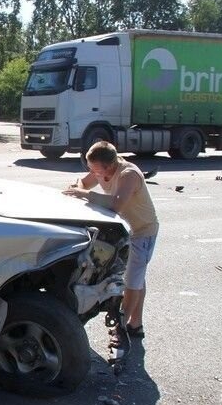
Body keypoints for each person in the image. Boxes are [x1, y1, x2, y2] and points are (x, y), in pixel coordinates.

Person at [63, 141, 159, 340]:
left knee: (132, 281)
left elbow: (116, 204)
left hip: (143, 231)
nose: (93, 173)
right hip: (124, 230)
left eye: (95, 169)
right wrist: (76, 188)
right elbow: (83, 183)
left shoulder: (128, 175)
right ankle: (136, 324)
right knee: (136, 277)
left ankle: (122, 326)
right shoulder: (100, 169)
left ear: (109, 166)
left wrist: (85, 194)